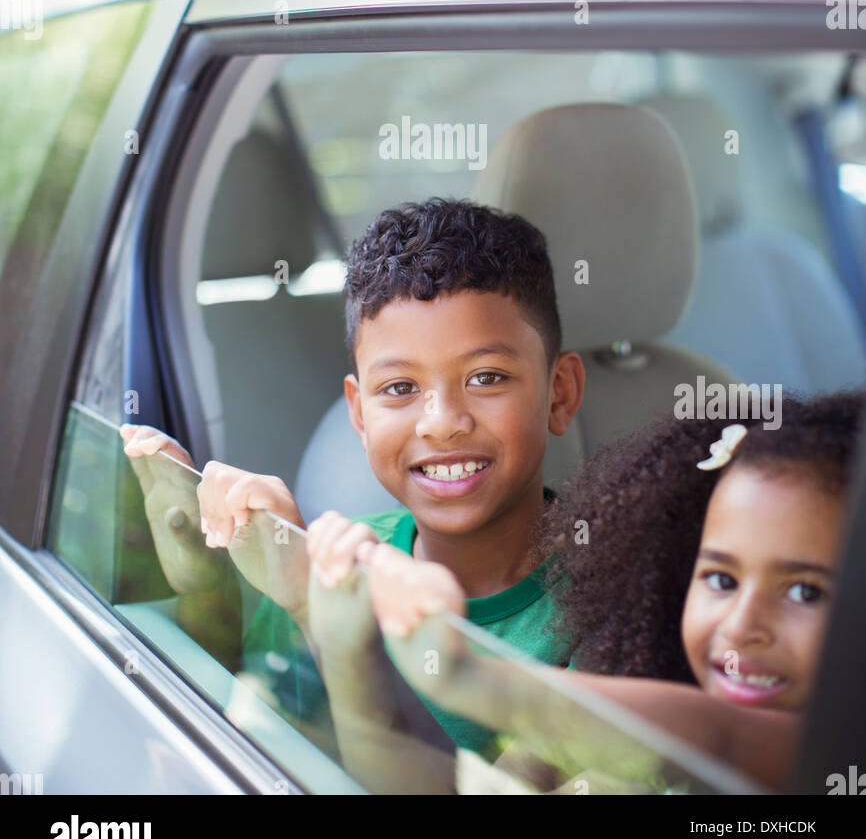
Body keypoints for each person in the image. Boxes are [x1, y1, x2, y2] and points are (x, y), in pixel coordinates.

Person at [123, 195, 585, 755]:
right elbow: (252, 731)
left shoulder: (609, 601)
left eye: (486, 377)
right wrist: (205, 587)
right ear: (360, 414)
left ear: (560, 393)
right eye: (400, 388)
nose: (442, 424)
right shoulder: (325, 566)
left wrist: (320, 618)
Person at [309, 391, 863, 792]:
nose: (742, 626)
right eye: (720, 579)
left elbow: (717, 737)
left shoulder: (822, 753)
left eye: (806, 593)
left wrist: (460, 670)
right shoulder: (626, 732)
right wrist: (339, 646)